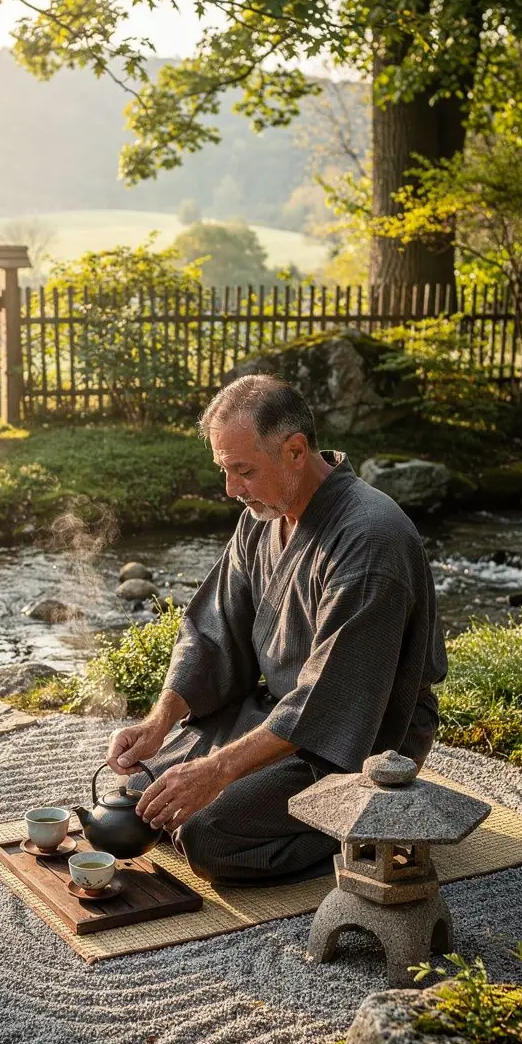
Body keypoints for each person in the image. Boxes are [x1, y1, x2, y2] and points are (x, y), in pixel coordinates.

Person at [107, 375, 448, 886]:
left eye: (243, 471)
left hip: (360, 737)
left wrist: (218, 771)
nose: (231, 490)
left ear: (294, 451)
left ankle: (370, 829)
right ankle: (242, 790)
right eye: (225, 470)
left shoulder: (370, 540)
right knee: (142, 795)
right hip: (278, 715)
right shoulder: (264, 516)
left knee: (208, 835)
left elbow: (331, 698)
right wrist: (159, 723)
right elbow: (211, 632)